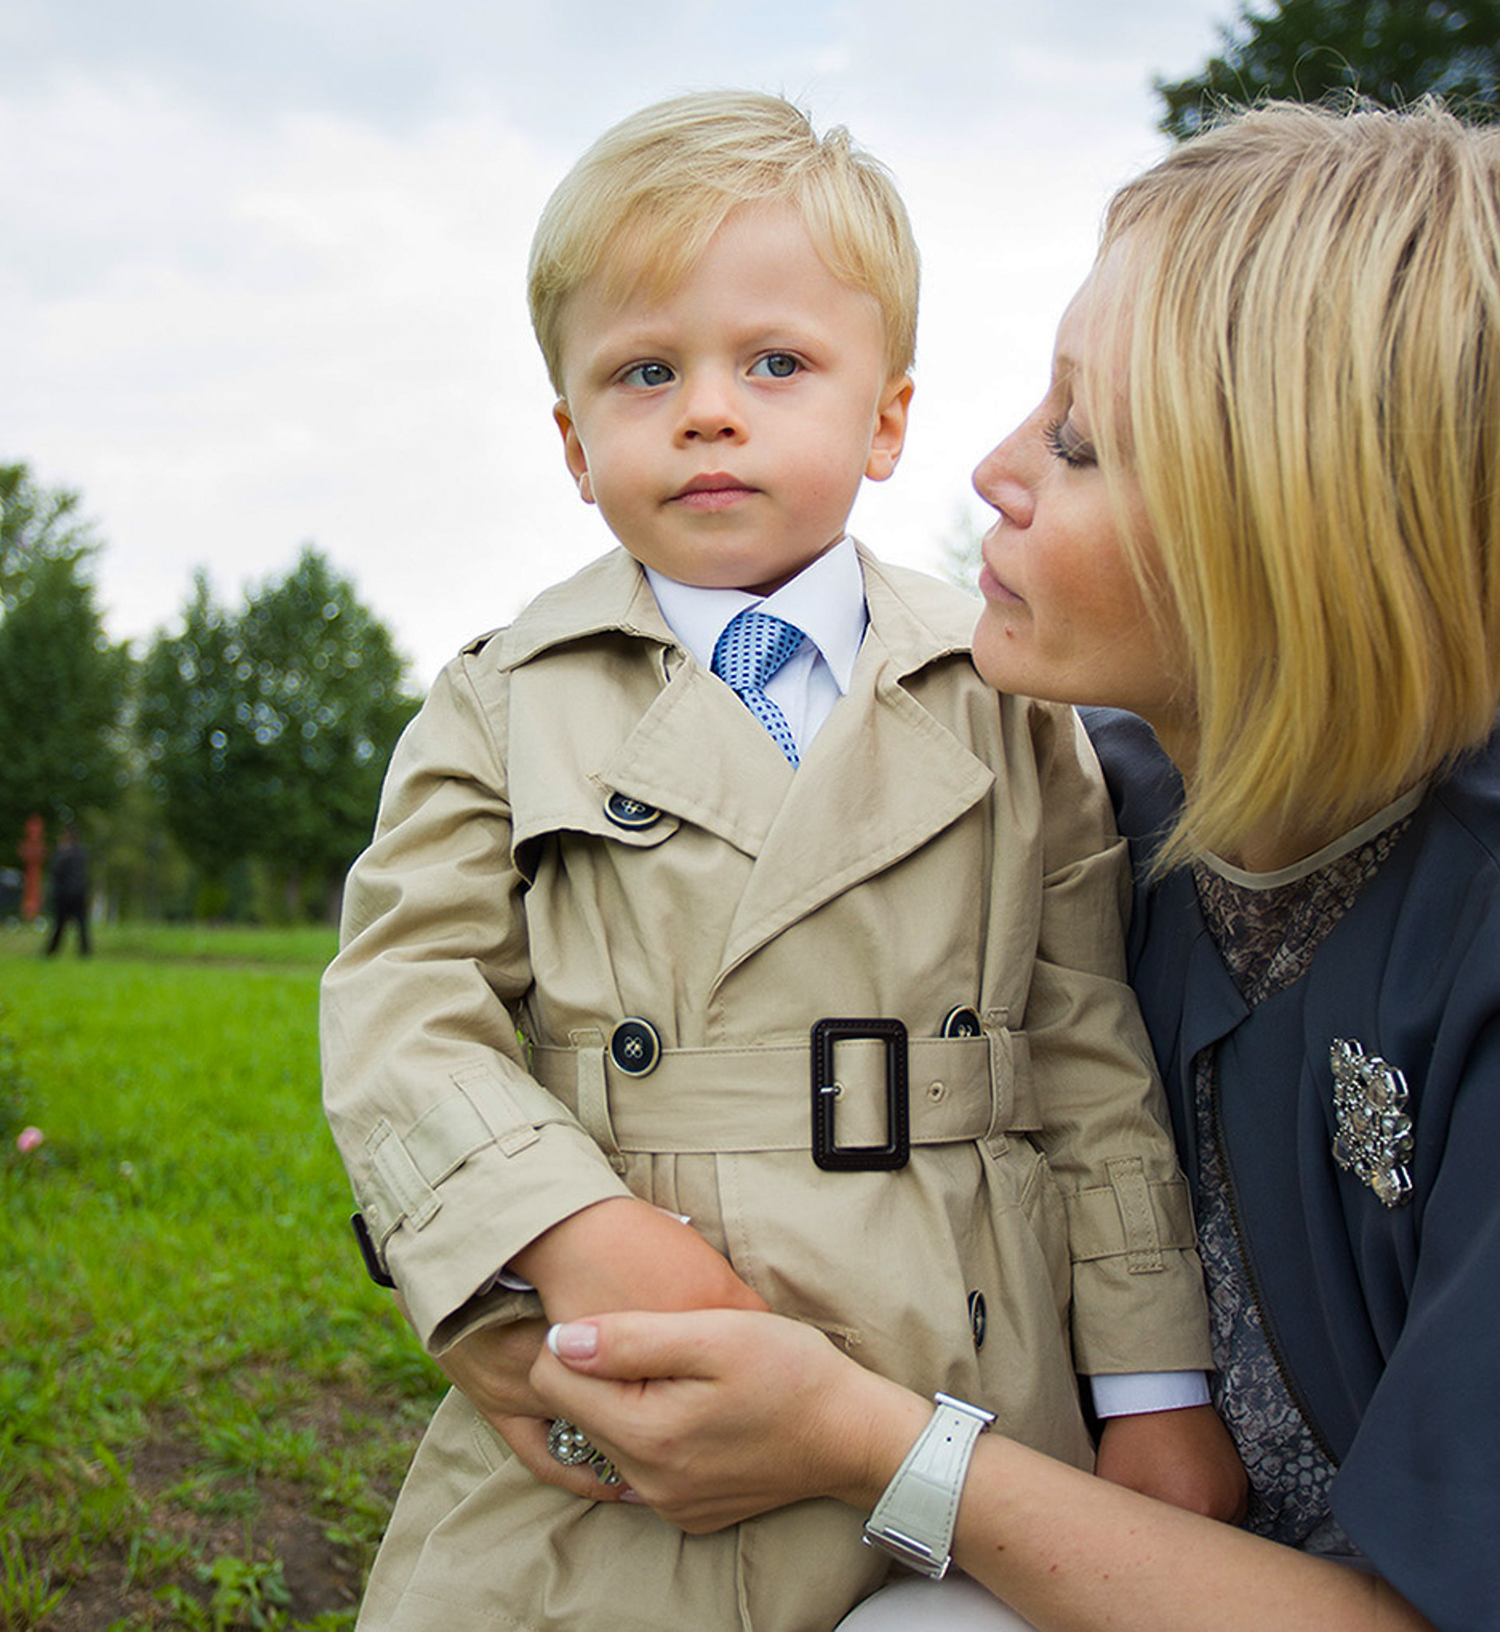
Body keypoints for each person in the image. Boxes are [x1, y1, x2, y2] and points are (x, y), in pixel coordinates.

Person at [513, 103, 1500, 1631]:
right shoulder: (1082, 798)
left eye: (1079, 439)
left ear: (1297, 539)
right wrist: (537, 1303)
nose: (997, 468)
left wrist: (873, 1443)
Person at [320, 90, 1233, 1632]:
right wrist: (561, 1225)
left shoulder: (1002, 697)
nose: (708, 411)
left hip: (956, 1348)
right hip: (636, 1346)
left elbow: (1090, 1048)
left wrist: (1153, 1384)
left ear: (887, 418)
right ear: (571, 439)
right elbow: (404, 1000)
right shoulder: (500, 701)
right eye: (644, 370)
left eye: (777, 363)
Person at [45, 828, 90, 956]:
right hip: (79, 892)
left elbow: (55, 871)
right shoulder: (82, 853)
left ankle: (52, 951)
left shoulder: (64, 854)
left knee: (59, 923)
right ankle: (85, 950)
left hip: (65, 894)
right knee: (82, 924)